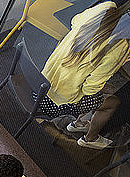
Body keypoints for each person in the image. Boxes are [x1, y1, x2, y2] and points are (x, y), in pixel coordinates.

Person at [39, 1, 130, 149]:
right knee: (113, 102)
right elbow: (90, 89)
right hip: (57, 102)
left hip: (41, 82)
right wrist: (118, 62)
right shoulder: (121, 46)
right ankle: (90, 138)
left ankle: (79, 123)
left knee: (101, 88)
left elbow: (74, 21)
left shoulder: (105, 7)